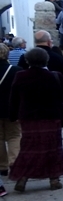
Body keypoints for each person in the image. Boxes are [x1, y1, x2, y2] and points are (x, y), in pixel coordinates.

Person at [9, 47, 63, 193]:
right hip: (51, 117)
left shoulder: (21, 76)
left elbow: (14, 99)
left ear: (27, 60)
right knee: (52, 147)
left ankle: (23, 176)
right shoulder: (55, 76)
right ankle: (54, 178)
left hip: (29, 118)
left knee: (29, 147)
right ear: (46, 60)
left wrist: (13, 115)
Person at [0, 44, 20, 185]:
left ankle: (2, 166)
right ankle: (15, 163)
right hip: (11, 108)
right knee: (14, 136)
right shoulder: (14, 71)